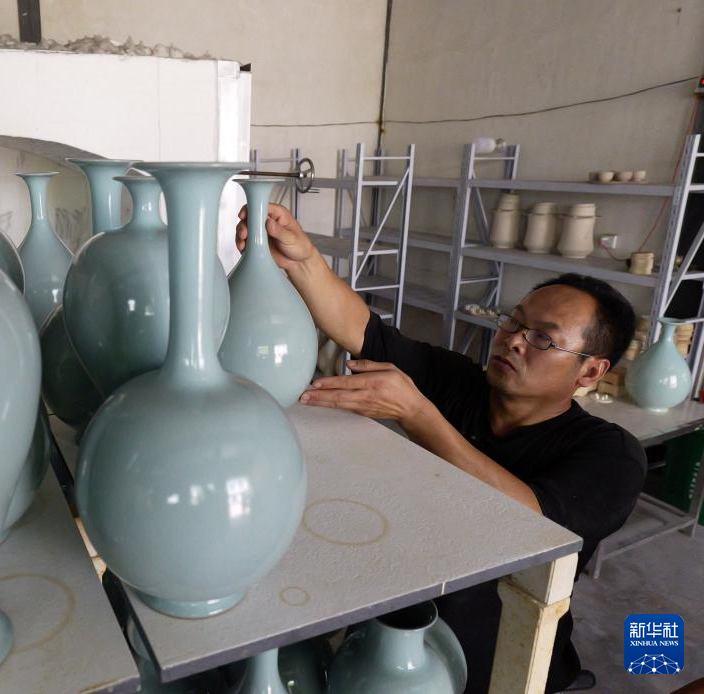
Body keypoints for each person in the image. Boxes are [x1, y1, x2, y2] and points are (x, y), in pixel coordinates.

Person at [236, 203, 647, 693]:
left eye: (543, 339)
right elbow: (364, 331)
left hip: (503, 639)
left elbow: (532, 520)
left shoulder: (612, 455)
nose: (513, 341)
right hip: (414, 591)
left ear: (591, 371)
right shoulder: (460, 382)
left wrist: (418, 414)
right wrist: (302, 261)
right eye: (513, 323)